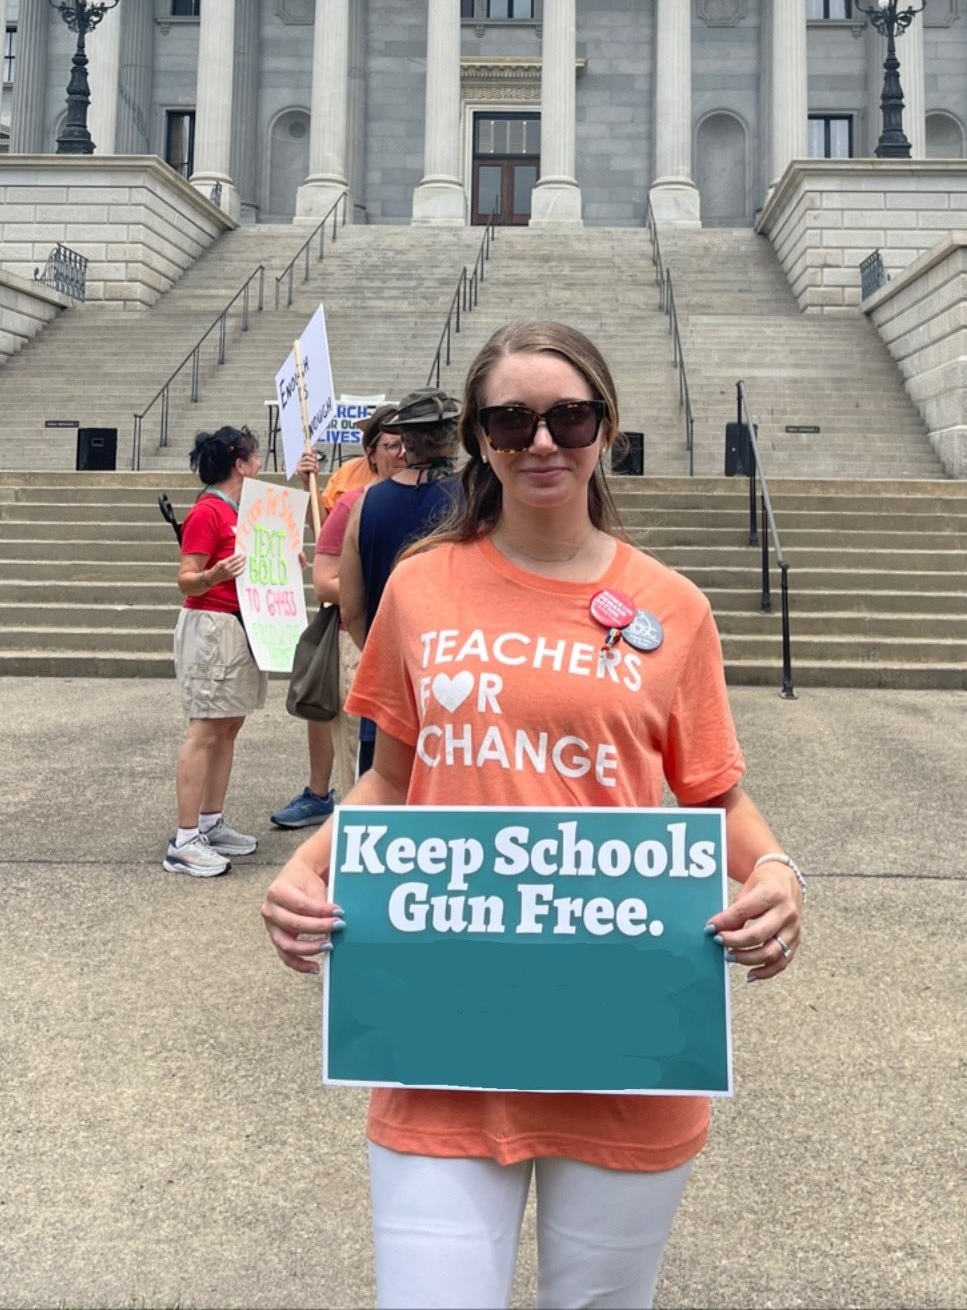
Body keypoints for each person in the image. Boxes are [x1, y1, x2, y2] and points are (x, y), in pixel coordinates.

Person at [261, 324, 804, 1310]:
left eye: (571, 415)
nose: (542, 440)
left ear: (607, 429)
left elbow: (711, 791)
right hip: (441, 1024)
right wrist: (312, 867)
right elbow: (390, 778)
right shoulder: (423, 587)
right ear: (478, 437)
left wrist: (777, 874)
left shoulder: (670, 606)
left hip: (623, 1035)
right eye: (512, 419)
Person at [273, 405, 405, 828]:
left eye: (408, 441)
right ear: (371, 451)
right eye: (390, 443)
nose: (402, 451)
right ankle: (322, 795)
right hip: (355, 627)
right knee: (336, 719)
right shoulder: (351, 491)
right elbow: (329, 555)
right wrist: (304, 482)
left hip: (406, 636)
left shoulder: (424, 490)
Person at [337, 386, 463, 776]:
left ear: (405, 439)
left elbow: (352, 607)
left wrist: (381, 654)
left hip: (391, 682)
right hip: (462, 678)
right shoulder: (478, 498)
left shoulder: (365, 503)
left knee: (383, 793)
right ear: (455, 437)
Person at [164, 425, 266, 879]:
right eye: (256, 458)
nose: (260, 464)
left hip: (237, 624)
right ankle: (185, 840)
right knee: (205, 728)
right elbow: (187, 576)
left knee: (227, 724)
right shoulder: (208, 511)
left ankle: (210, 820)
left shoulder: (239, 510)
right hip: (211, 625)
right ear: (240, 464)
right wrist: (214, 574)